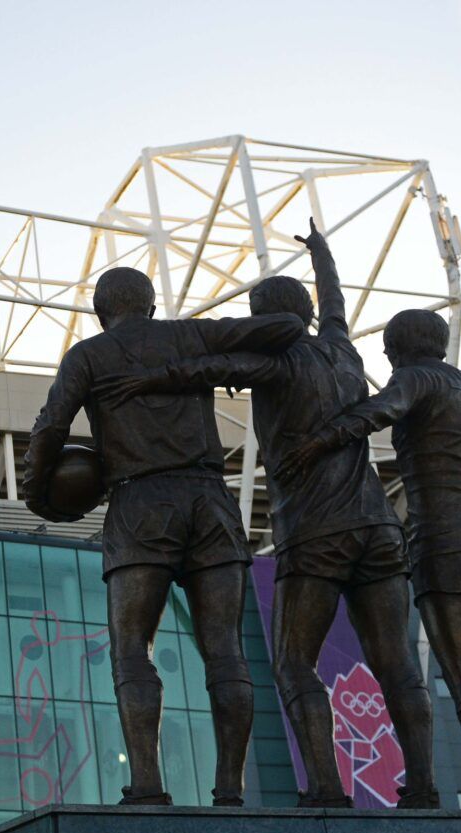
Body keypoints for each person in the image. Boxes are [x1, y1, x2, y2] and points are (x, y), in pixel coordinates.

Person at [95, 223, 439, 807]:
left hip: (316, 532)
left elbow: (201, 371)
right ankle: (426, 786)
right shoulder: (342, 347)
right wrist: (322, 253)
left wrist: (147, 378)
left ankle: (327, 789)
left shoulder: (274, 366)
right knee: (398, 663)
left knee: (294, 664)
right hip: (380, 529)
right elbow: (336, 303)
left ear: (263, 321)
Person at [24, 266, 305, 805]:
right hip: (210, 502)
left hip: (140, 504)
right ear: (151, 307)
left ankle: (148, 785)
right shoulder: (187, 334)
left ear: (100, 313)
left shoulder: (88, 355)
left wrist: (39, 496)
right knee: (225, 652)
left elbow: (50, 427)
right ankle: (230, 790)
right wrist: (199, 364)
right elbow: (288, 326)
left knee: (132, 651)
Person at [280, 307, 461, 808]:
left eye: (389, 350)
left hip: (447, 549)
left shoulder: (415, 380)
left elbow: (376, 413)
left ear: (401, 349)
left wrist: (318, 441)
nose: (387, 359)